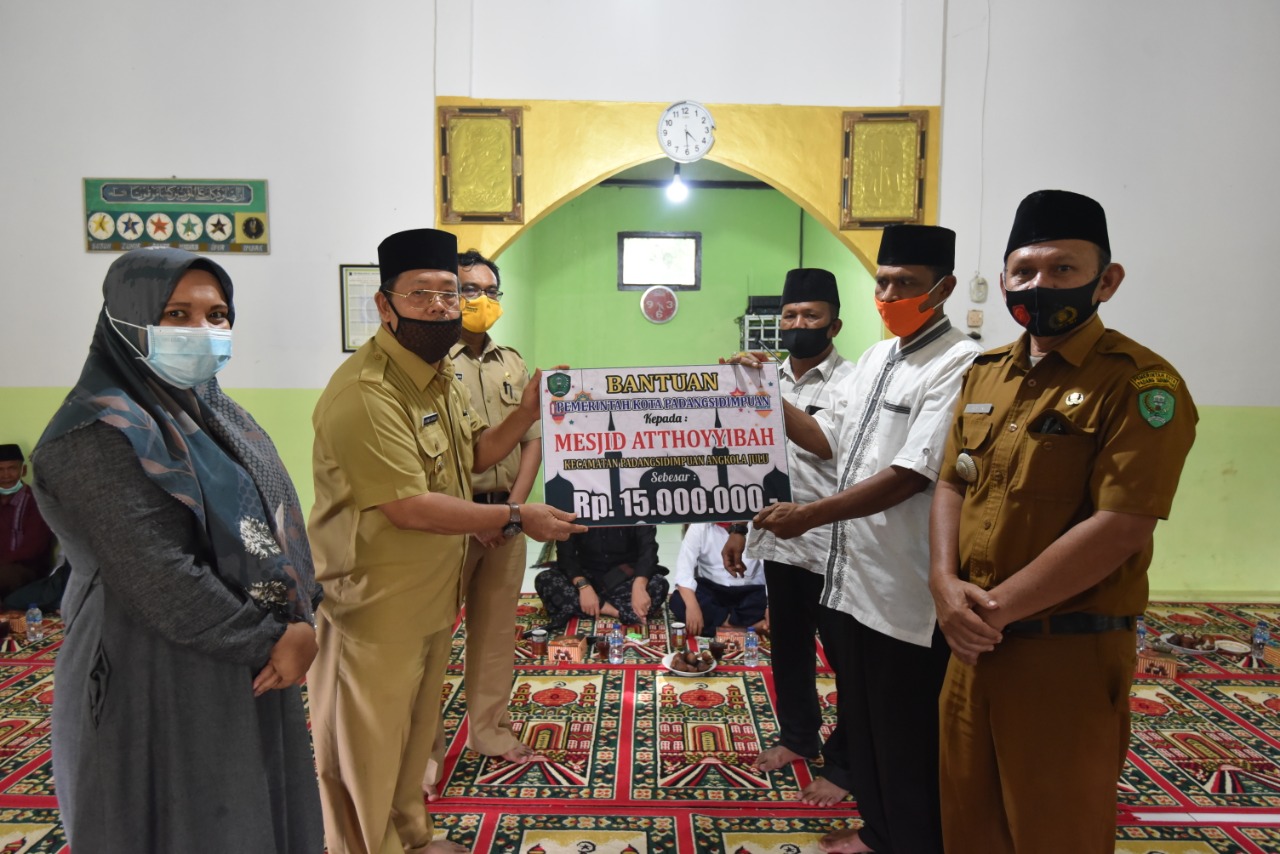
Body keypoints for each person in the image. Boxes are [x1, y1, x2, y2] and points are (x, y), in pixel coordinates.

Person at [29, 247, 324, 852]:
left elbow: (266, 527)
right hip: (149, 672)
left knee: (241, 811)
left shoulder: (210, 413)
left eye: (217, 315)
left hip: (237, 655)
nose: (203, 331)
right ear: (126, 320)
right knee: (175, 820)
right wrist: (277, 638)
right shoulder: (96, 434)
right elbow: (161, 575)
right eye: (176, 313)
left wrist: (296, 620)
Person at [929, 190, 1198, 854]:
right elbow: (950, 482)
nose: (1039, 286)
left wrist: (994, 608)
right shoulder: (986, 375)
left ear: (1106, 280)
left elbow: (1123, 523)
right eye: (1024, 271)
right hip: (972, 648)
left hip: (1065, 652)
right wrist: (942, 581)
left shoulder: (1139, 384)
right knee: (969, 825)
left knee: (1057, 832)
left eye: (1063, 269)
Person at [308, 227, 584, 854]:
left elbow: (476, 454)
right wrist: (517, 519)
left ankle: (412, 837)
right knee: (366, 750)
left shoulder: (438, 381)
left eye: (449, 294)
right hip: (376, 603)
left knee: (411, 737)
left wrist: (528, 409)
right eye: (422, 294)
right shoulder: (367, 392)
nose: (440, 306)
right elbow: (408, 507)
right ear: (385, 304)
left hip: (428, 595)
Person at [750, 226, 980, 854]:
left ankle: (912, 838)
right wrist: (761, 393)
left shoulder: (960, 363)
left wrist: (812, 514)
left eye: (906, 283)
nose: (890, 293)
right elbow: (828, 441)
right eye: (883, 281)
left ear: (944, 288)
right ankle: (879, 831)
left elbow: (911, 474)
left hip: (906, 581)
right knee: (874, 720)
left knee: (905, 726)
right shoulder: (880, 360)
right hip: (852, 574)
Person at [727, 268, 857, 807]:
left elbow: (826, 446)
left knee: (849, 659)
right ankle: (798, 737)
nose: (798, 324)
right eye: (789, 316)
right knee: (790, 648)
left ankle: (847, 762)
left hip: (836, 543)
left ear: (834, 324)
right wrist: (737, 529)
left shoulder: (853, 381)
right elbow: (743, 458)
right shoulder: (767, 373)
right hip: (780, 542)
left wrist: (764, 397)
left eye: (811, 316)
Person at [423, 250, 542, 798]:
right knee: (429, 638)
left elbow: (532, 440)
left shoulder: (513, 363)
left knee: (495, 633)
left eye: (490, 291)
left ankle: (488, 732)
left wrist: (513, 513)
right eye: (469, 289)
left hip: (508, 518)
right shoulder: (428, 365)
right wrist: (475, 520)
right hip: (450, 522)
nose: (481, 301)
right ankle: (423, 747)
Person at [534, 525, 669, 627]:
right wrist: (583, 585)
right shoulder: (575, 501)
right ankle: (615, 611)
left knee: (659, 584)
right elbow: (565, 556)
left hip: (624, 577)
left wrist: (639, 585)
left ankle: (586, 607)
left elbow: (648, 550)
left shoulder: (633, 499)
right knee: (545, 580)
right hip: (587, 576)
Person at [669, 521, 767, 637]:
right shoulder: (699, 525)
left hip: (750, 593)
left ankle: (719, 627)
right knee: (678, 600)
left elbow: (772, 573)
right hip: (714, 591)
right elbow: (683, 573)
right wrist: (692, 607)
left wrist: (770, 606)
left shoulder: (757, 522)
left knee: (782, 600)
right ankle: (747, 628)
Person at [0, 443, 55, 597]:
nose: (5, 475)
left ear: (23, 470)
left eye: (12, 468)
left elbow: (33, 549)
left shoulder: (36, 501)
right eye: (0, 470)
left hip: (28, 570)